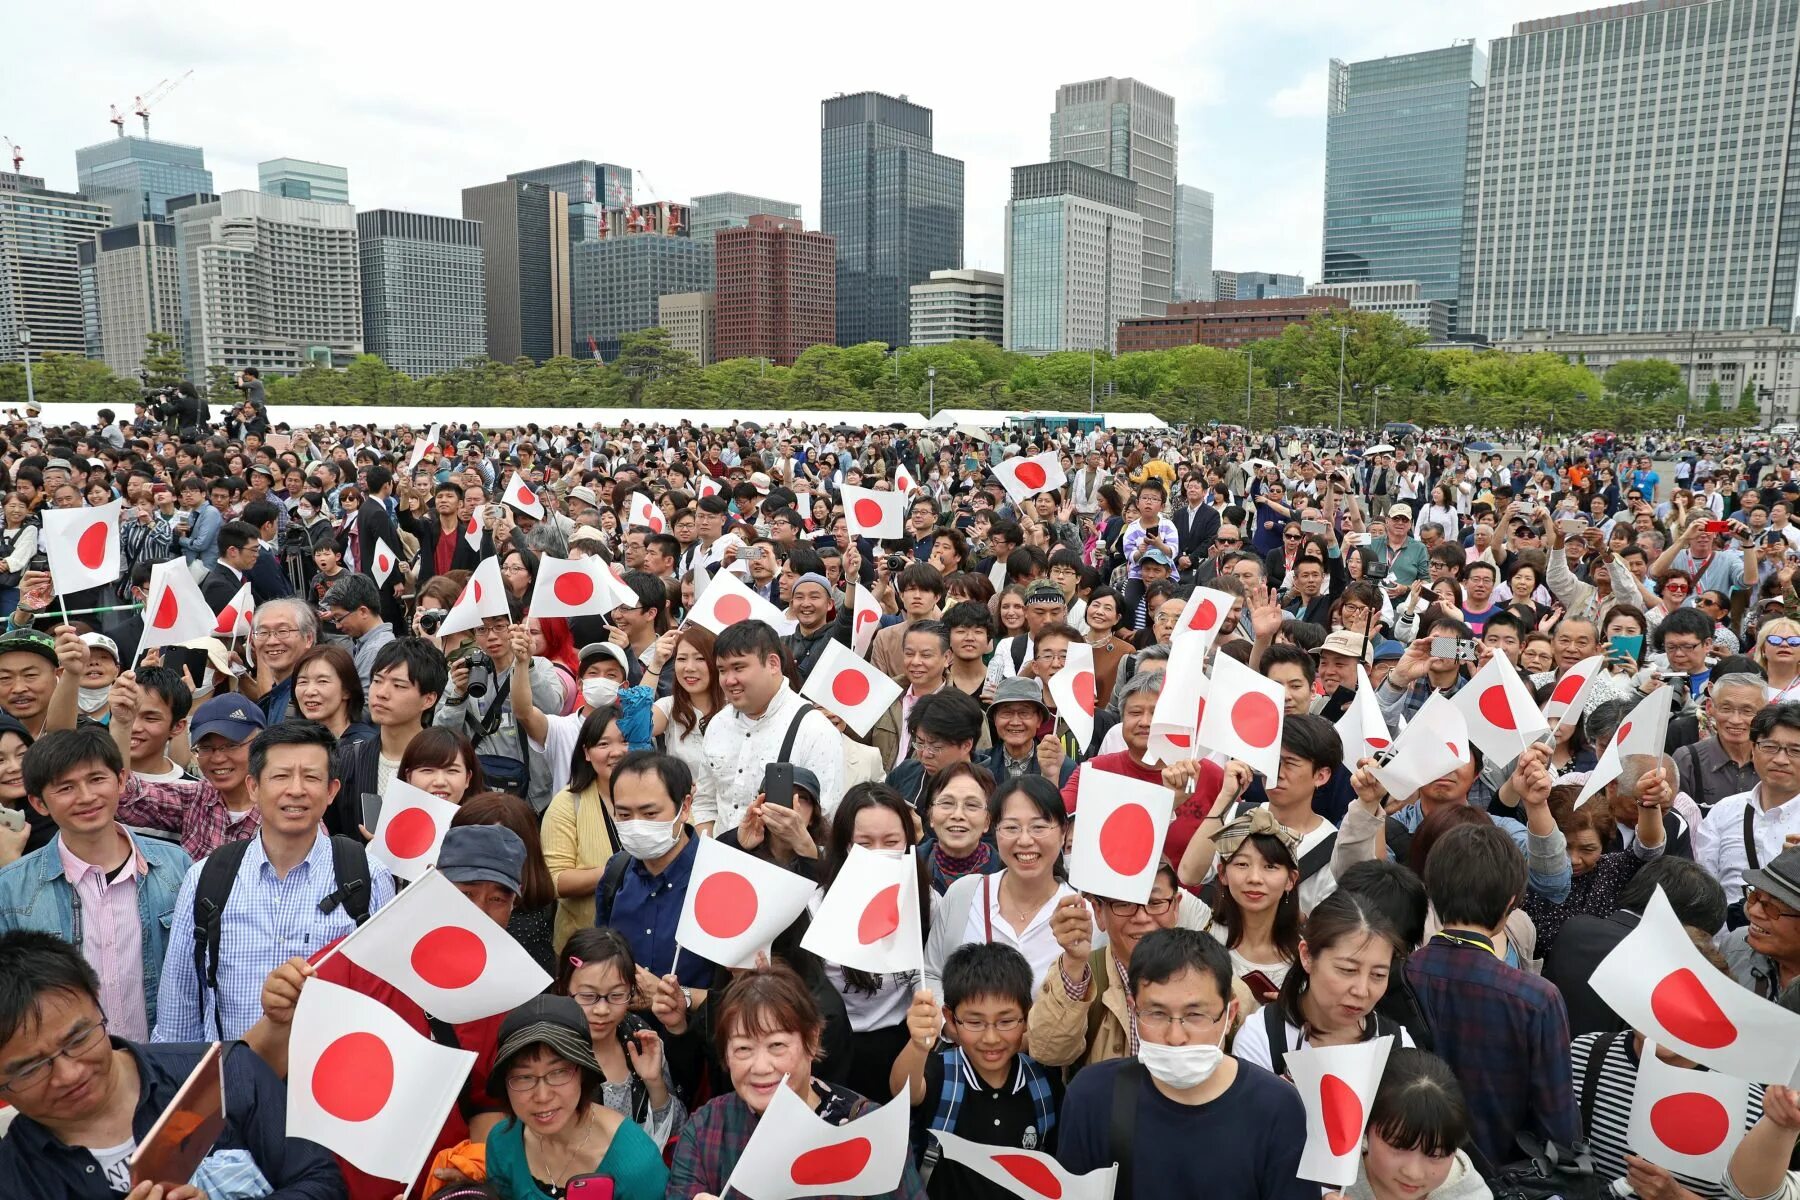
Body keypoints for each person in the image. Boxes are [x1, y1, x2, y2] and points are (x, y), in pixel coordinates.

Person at [0, 930, 345, 1200]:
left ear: (98, 1005)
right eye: (31, 1069)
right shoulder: (13, 1178)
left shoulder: (224, 1073)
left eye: (77, 1040)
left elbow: (323, 1183)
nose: (69, 1074)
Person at [154, 719, 397, 1041]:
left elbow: (386, 1003)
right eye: (280, 776)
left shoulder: (367, 875)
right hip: (234, 1079)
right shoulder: (207, 878)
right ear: (253, 787)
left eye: (311, 777)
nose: (295, 789)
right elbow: (179, 1010)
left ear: (331, 791)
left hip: (330, 1080)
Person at [1056, 927, 1312, 1200]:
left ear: (1229, 1014)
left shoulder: (1277, 1108)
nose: (1175, 1036)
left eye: (1195, 1015)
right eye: (1156, 1013)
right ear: (1134, 1009)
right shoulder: (1092, 1097)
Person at [665, 964, 928, 1200]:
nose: (761, 1067)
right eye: (744, 1049)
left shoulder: (868, 1128)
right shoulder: (705, 1128)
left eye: (777, 1045)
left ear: (811, 1041)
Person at [0, 728, 192, 1042]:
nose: (86, 797)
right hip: (68, 1071)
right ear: (38, 803)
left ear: (120, 781)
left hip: (162, 1061)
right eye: (66, 788)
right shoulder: (11, 889)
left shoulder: (177, 867)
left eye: (97, 780)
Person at [1404, 822, 1578, 1166]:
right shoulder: (1536, 998)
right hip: (1504, 1179)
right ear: (1510, 903)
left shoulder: (1398, 975)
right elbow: (1558, 1125)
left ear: (1433, 892)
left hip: (1408, 1170)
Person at [890, 943, 1061, 1199]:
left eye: (1005, 1021)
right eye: (974, 1022)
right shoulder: (942, 1074)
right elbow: (904, 1090)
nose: (991, 1038)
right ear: (949, 1017)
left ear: (1027, 1017)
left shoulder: (1043, 1083)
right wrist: (917, 1044)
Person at [483, 994, 671, 1200]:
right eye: (524, 1077)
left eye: (558, 1073)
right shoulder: (502, 1143)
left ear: (583, 1073)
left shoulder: (634, 1162)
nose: (542, 1096)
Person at [1233, 889, 1416, 1076]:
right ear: (1307, 956)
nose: (1361, 991)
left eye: (1378, 975)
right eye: (1348, 970)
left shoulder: (1398, 1046)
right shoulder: (1261, 1038)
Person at [924, 776, 1079, 995]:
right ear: (995, 830)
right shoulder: (964, 895)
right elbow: (931, 974)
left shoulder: (1079, 915)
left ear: (1063, 832)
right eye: (1011, 827)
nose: (1025, 840)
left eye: (1038, 827)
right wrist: (952, 1024)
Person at [697, 620, 844, 835]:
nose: (729, 680)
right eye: (722, 670)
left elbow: (826, 818)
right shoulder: (718, 724)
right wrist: (708, 848)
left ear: (773, 664)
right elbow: (705, 803)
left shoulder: (814, 729)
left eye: (739, 667)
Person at [593, 751, 712, 989]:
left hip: (697, 1025)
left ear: (685, 806)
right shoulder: (616, 872)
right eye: (624, 814)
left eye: (650, 814)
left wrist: (677, 998)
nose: (637, 825)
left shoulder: (716, 878)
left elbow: (739, 992)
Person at [556, 935, 686, 1151]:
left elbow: (677, 1131)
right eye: (588, 996)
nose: (602, 1010)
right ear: (564, 988)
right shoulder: (551, 1049)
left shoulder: (640, 1039)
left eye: (616, 995)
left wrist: (654, 1082)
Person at [108, 688, 267, 859]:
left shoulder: (281, 802)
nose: (218, 758)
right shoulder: (196, 798)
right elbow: (127, 797)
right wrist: (122, 725)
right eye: (206, 748)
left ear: (261, 744)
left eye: (231, 745)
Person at [1323, 1049, 1492, 1200]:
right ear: (1367, 1126)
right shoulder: (1326, 1179)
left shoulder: (1470, 1194)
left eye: (1435, 1155)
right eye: (1398, 1147)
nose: (1413, 1173)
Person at [334, 637, 449, 837]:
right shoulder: (347, 758)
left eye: (399, 686)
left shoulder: (449, 761)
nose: (382, 693)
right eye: (377, 681)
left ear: (429, 699)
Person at [1702, 702, 1800, 926]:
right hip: (1729, 949)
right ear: (1753, 749)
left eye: (1796, 751)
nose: (1781, 759)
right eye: (1769, 747)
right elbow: (1704, 889)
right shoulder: (1724, 811)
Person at [541, 705, 627, 951]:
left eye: (625, 741)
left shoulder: (663, 796)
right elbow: (555, 881)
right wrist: (620, 870)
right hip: (585, 948)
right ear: (586, 753)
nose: (616, 752)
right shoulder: (568, 802)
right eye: (603, 744)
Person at [918, 761, 999, 893]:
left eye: (972, 805)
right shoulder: (910, 867)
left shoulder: (1006, 872)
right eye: (947, 803)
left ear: (987, 821)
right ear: (931, 815)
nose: (958, 815)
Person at [318, 573, 395, 690]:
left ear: (363, 611)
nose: (338, 626)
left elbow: (366, 704)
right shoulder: (371, 643)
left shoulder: (374, 650)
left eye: (339, 618)